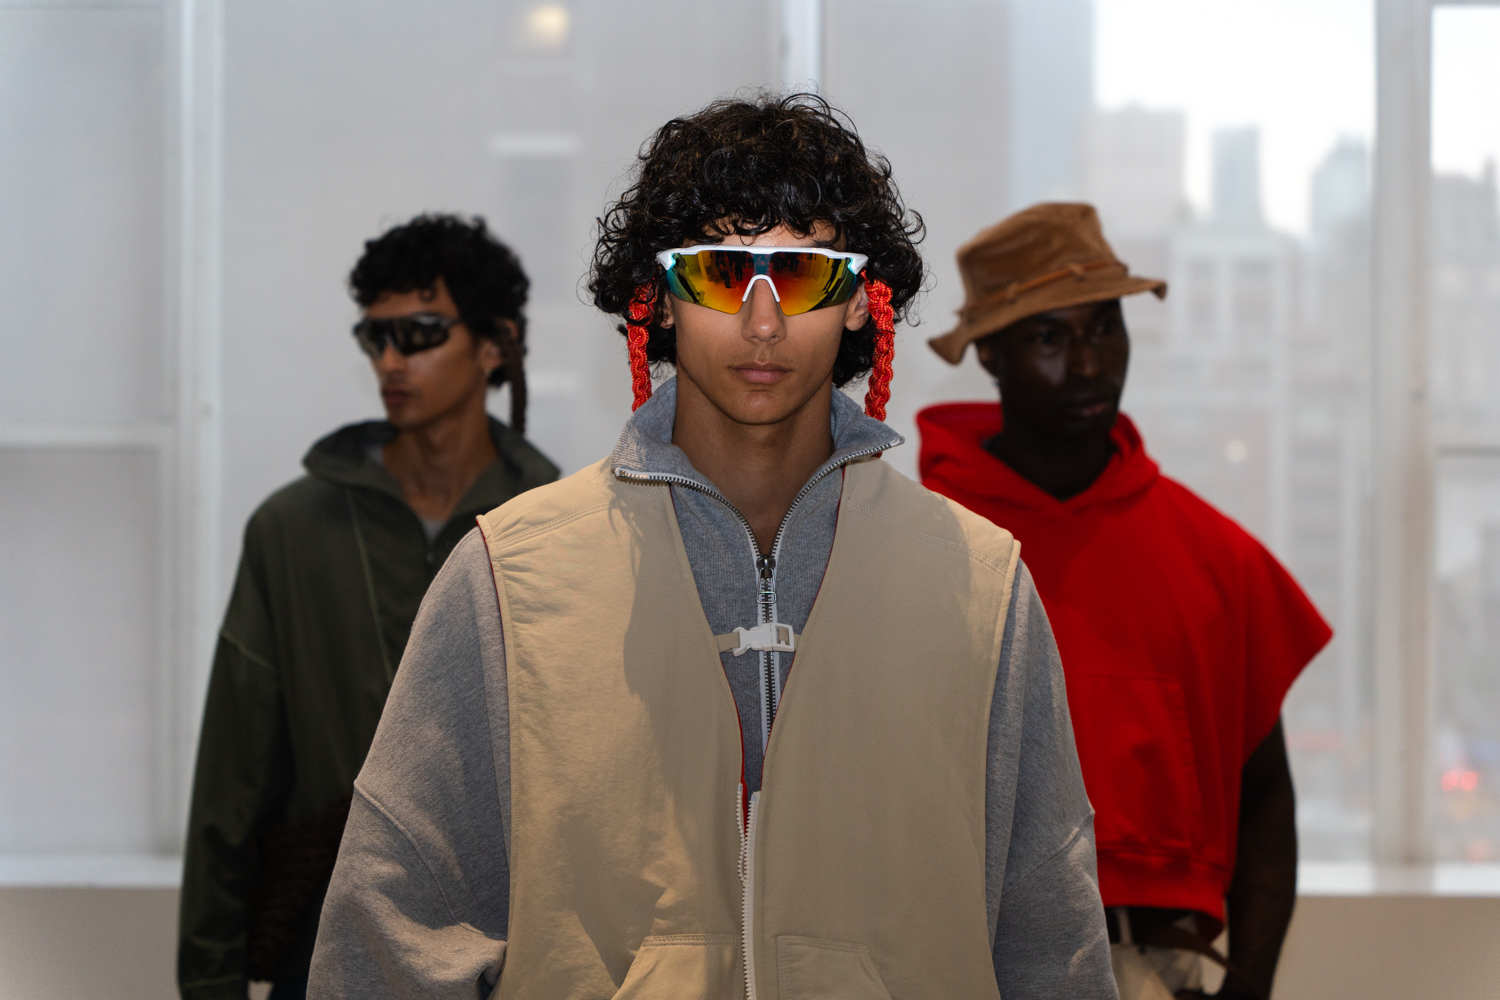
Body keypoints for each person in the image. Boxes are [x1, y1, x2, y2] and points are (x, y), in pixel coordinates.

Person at [307, 95, 1117, 999]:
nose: (762, 322)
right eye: (720, 274)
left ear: (860, 302)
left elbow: (1053, 944)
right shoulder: (510, 577)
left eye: (804, 277)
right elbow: (389, 936)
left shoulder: (980, 586)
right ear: (657, 300)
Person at [918, 203, 1332, 1000]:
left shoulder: (1214, 558)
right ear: (990, 357)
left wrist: (1249, 987)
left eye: (1104, 328)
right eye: (1048, 337)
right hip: (967, 966)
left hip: (1162, 969)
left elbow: (1266, 794)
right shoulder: (921, 553)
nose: (1087, 364)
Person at [177, 214, 559, 1000]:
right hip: (320, 952)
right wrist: (208, 982)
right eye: (373, 337)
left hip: (513, 955)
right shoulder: (291, 530)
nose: (390, 359)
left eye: (418, 333)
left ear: (494, 345)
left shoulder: (551, 530)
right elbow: (232, 777)